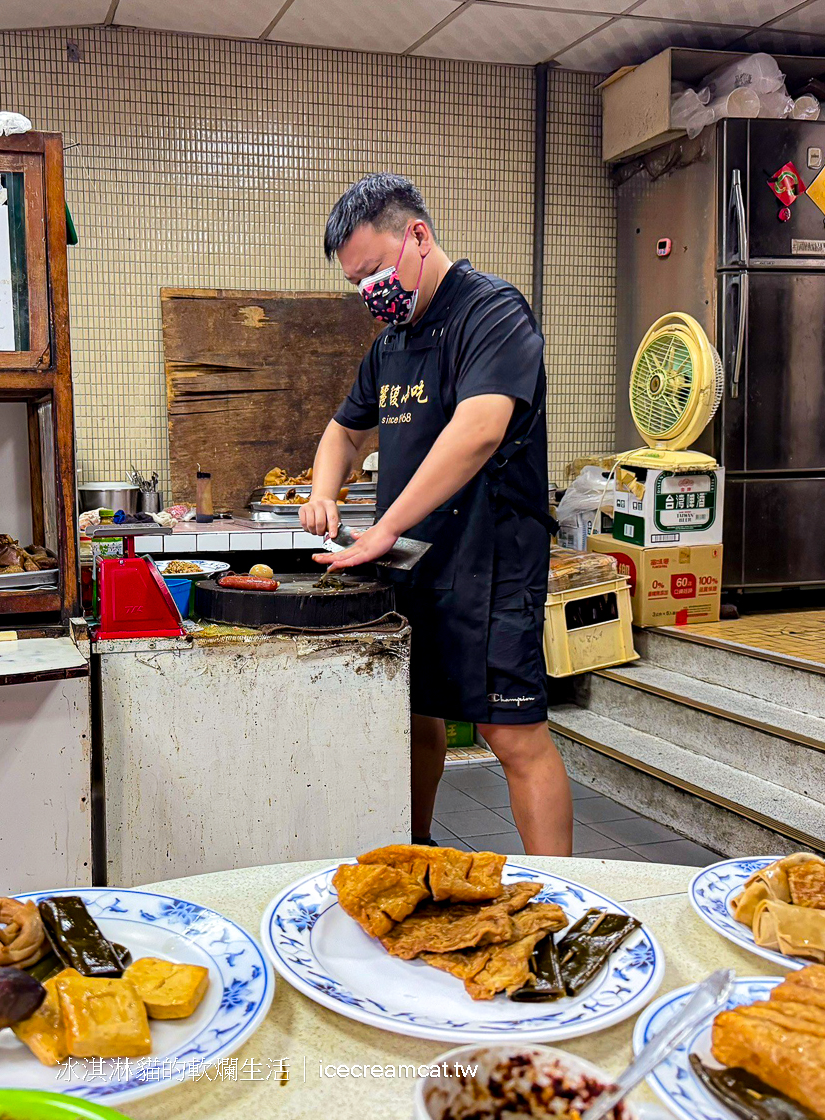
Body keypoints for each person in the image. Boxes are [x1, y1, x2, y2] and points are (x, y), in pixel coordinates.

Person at [300, 173, 572, 856]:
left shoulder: (492, 311)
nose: (371, 292)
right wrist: (322, 491)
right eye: (357, 282)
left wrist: (385, 527)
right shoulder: (393, 340)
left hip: (491, 559)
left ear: (417, 236)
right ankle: (416, 849)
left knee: (511, 734)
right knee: (416, 714)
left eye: (374, 272)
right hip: (417, 563)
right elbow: (344, 429)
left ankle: (573, 898)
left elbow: (480, 428)